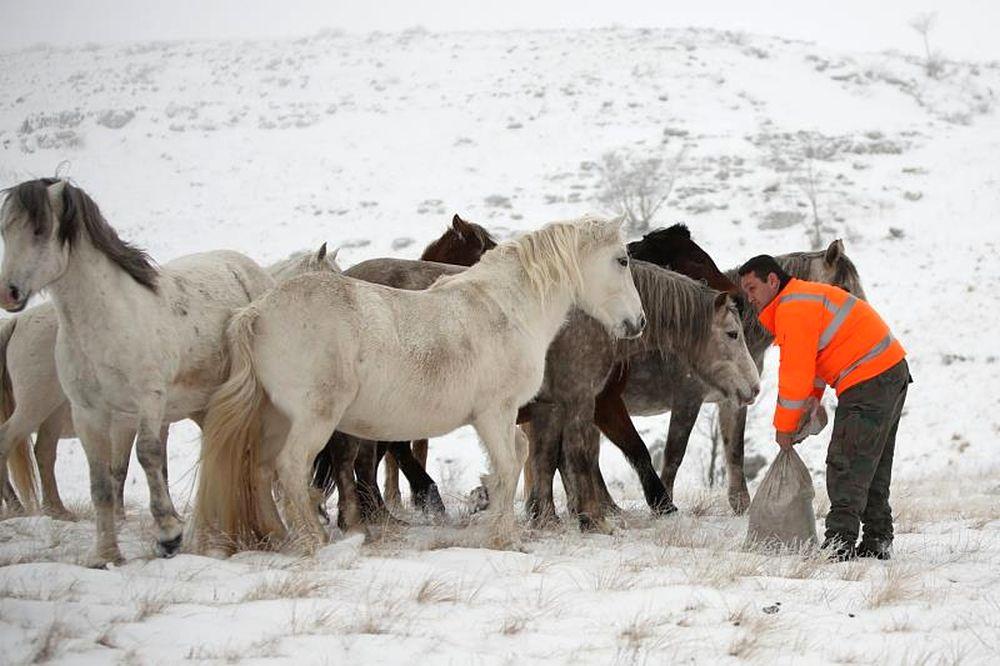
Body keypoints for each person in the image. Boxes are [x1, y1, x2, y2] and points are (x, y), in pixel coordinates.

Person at [738, 254, 911, 561]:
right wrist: (811, 403)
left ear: (773, 281)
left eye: (752, 288)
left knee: (846, 460)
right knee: (871, 463)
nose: (748, 297)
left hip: (868, 377)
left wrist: (784, 429)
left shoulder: (792, 308)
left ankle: (840, 542)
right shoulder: (804, 299)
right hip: (889, 371)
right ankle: (877, 538)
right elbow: (816, 365)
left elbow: (795, 373)